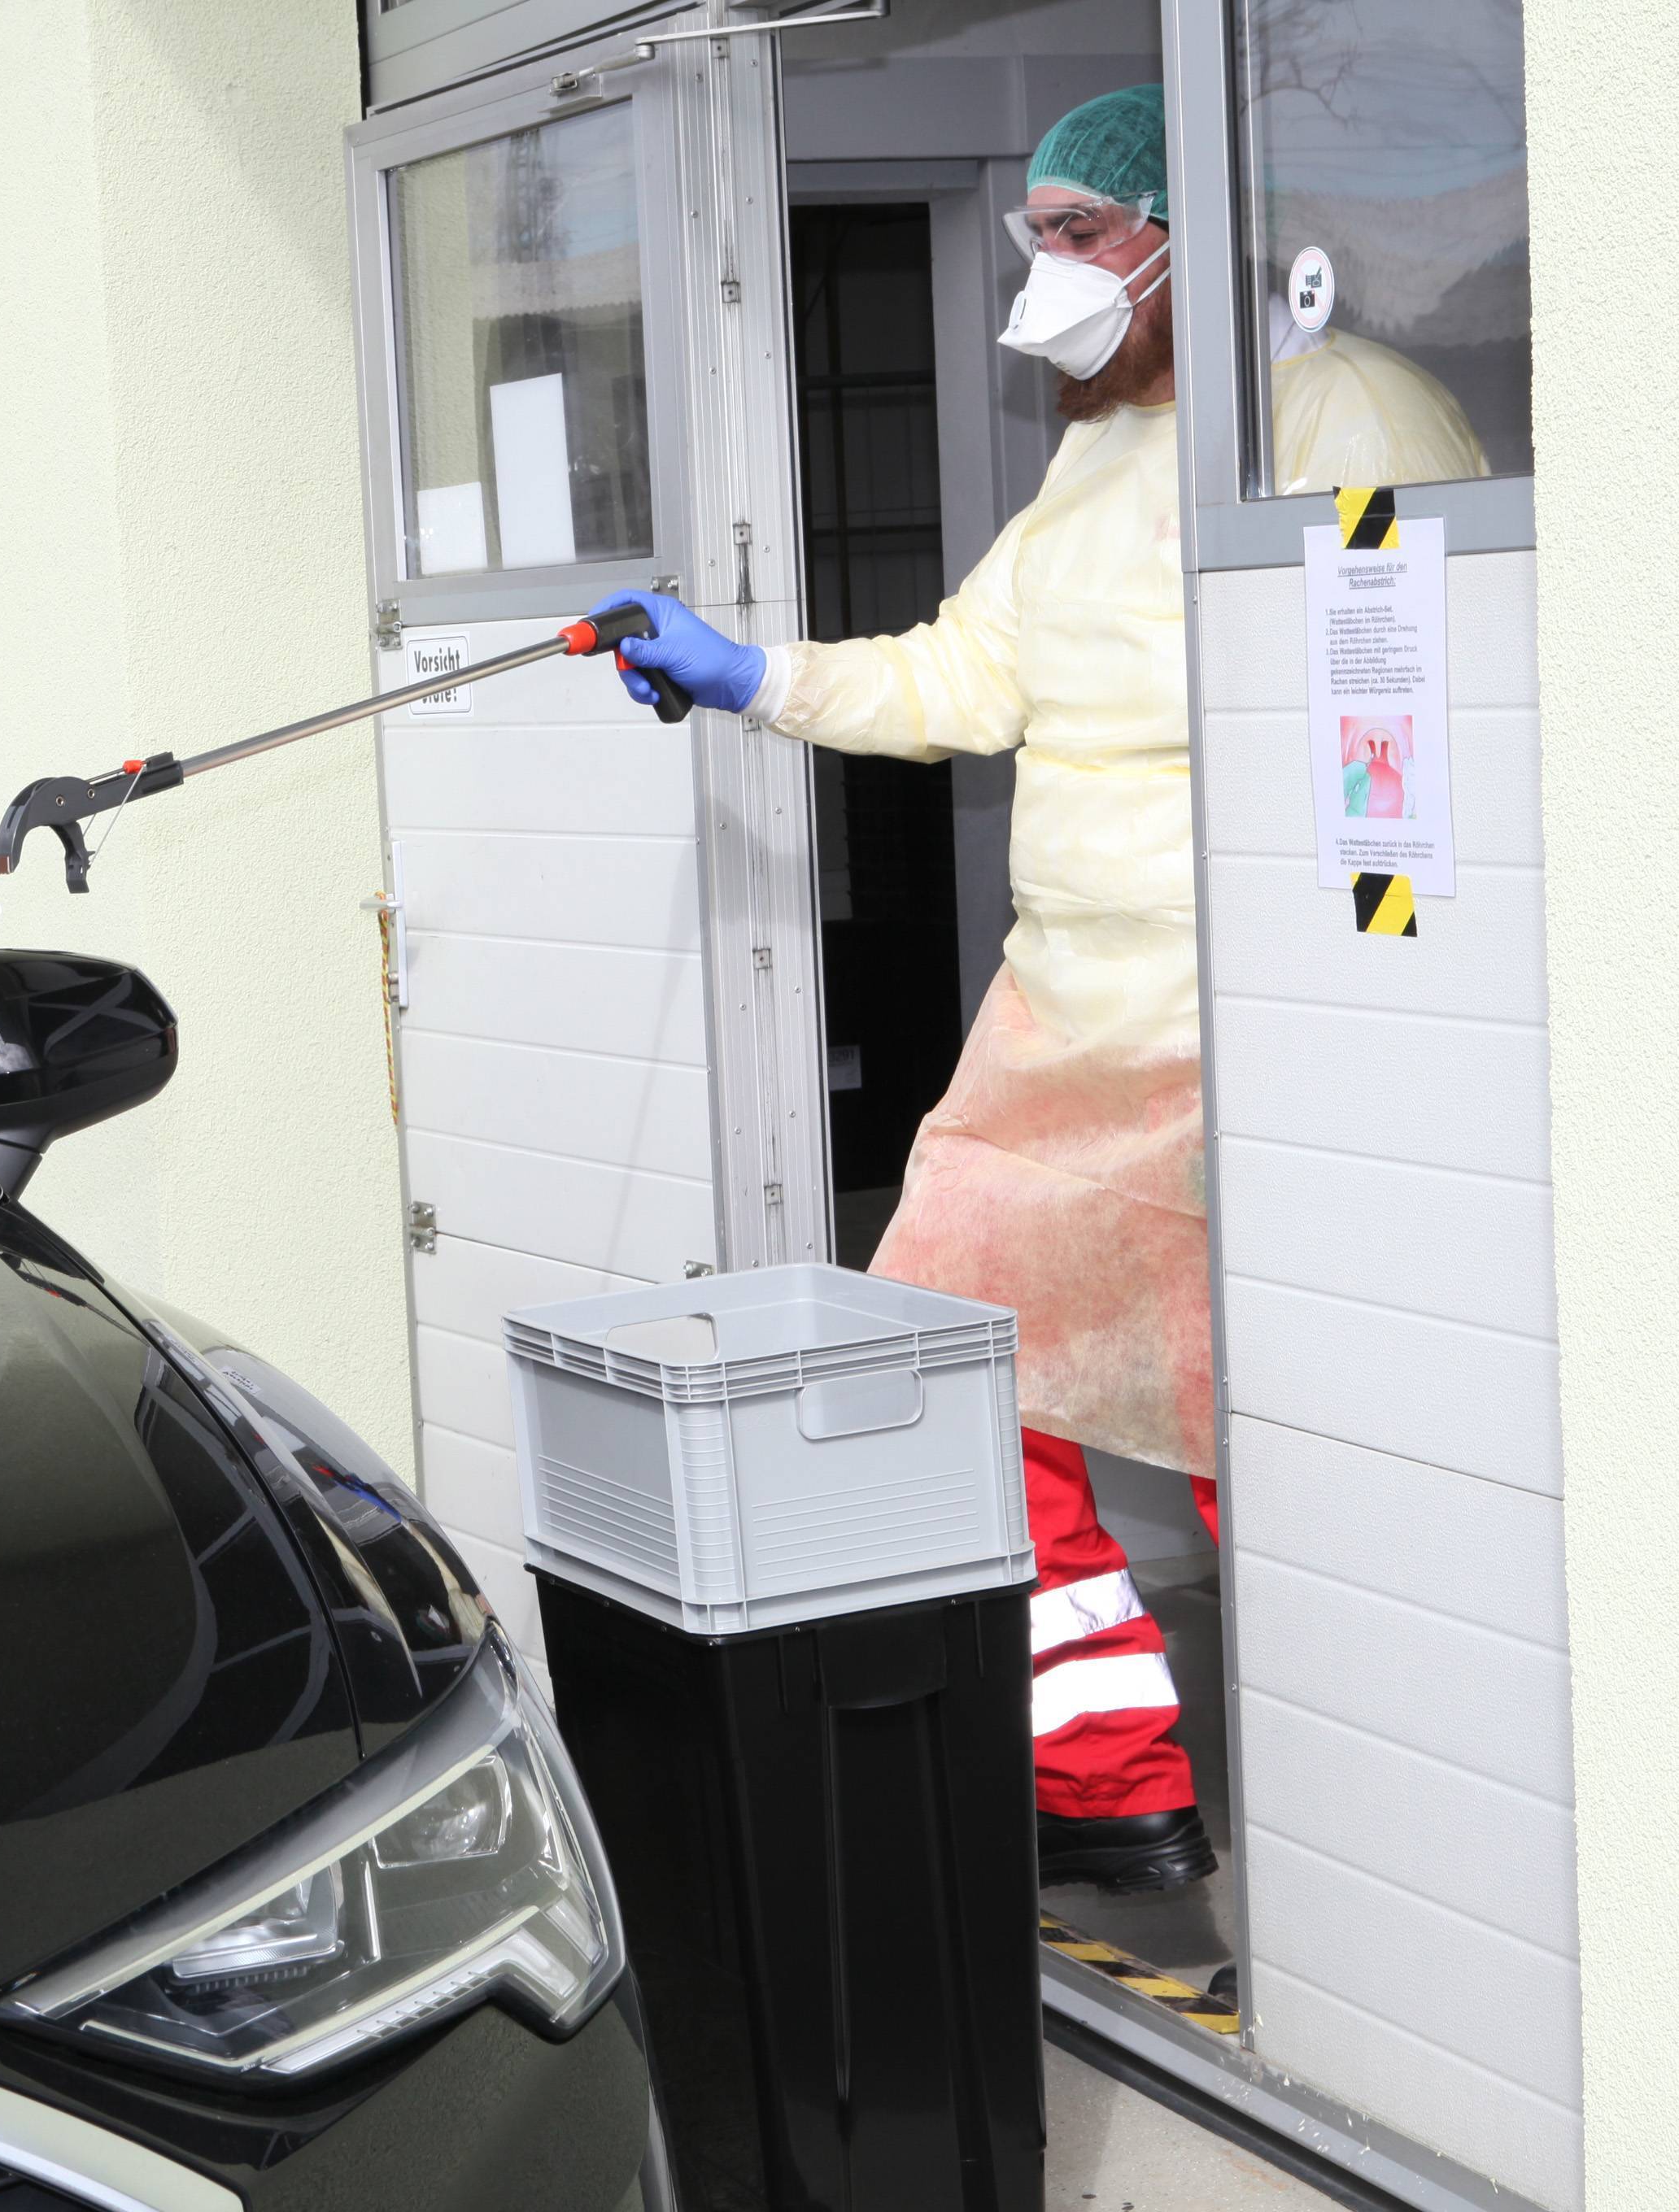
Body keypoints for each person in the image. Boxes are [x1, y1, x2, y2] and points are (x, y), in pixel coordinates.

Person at [594, 85, 1481, 1896]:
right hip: (1064, 1019)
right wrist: (745, 673)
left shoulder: (1341, 411)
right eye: (1042, 235)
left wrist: (1376, 992)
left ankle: (1393, 1835)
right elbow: (960, 682)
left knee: (1266, 1428)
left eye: (1083, 232)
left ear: (1179, 241)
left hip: (1243, 1034)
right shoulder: (1096, 456)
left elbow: (1427, 701)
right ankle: (1111, 1785)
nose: (1050, 268)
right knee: (957, 1362)